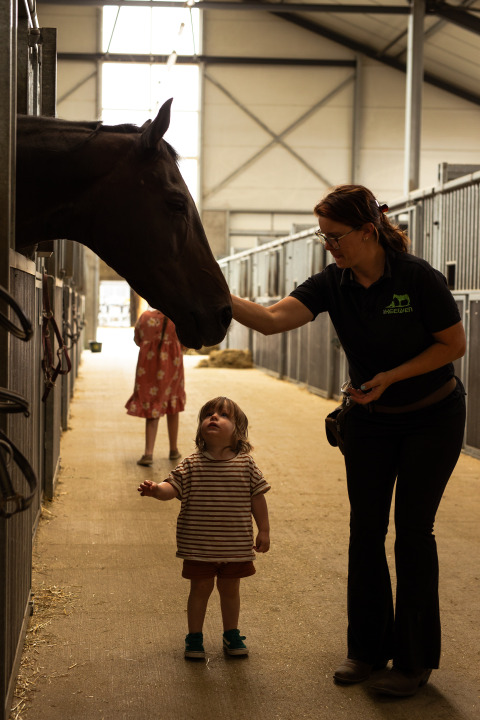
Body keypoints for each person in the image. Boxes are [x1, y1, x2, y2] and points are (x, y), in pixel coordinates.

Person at [230, 184, 466, 697]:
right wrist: (213, 293)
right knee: (365, 531)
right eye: (323, 237)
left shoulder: (415, 277)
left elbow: (454, 345)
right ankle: (365, 649)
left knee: (412, 533)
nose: (329, 246)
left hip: (432, 417)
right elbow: (272, 321)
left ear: (367, 231)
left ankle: (414, 661)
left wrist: (391, 375)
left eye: (336, 237)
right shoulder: (332, 282)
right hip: (372, 420)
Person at [137, 396, 270, 660]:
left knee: (230, 591)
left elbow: (258, 498)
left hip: (235, 545)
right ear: (200, 428)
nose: (213, 417)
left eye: (223, 415)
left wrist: (264, 530)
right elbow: (171, 488)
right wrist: (156, 491)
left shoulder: (246, 465)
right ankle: (194, 637)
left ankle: (231, 633)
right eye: (208, 414)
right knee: (199, 590)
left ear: (238, 431)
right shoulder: (191, 464)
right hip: (198, 546)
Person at [126, 309, 185, 466]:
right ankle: (173, 450)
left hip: (148, 368)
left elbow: (137, 339)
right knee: (173, 406)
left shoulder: (145, 317)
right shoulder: (178, 317)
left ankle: (148, 453)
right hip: (173, 367)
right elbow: (187, 342)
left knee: (152, 407)